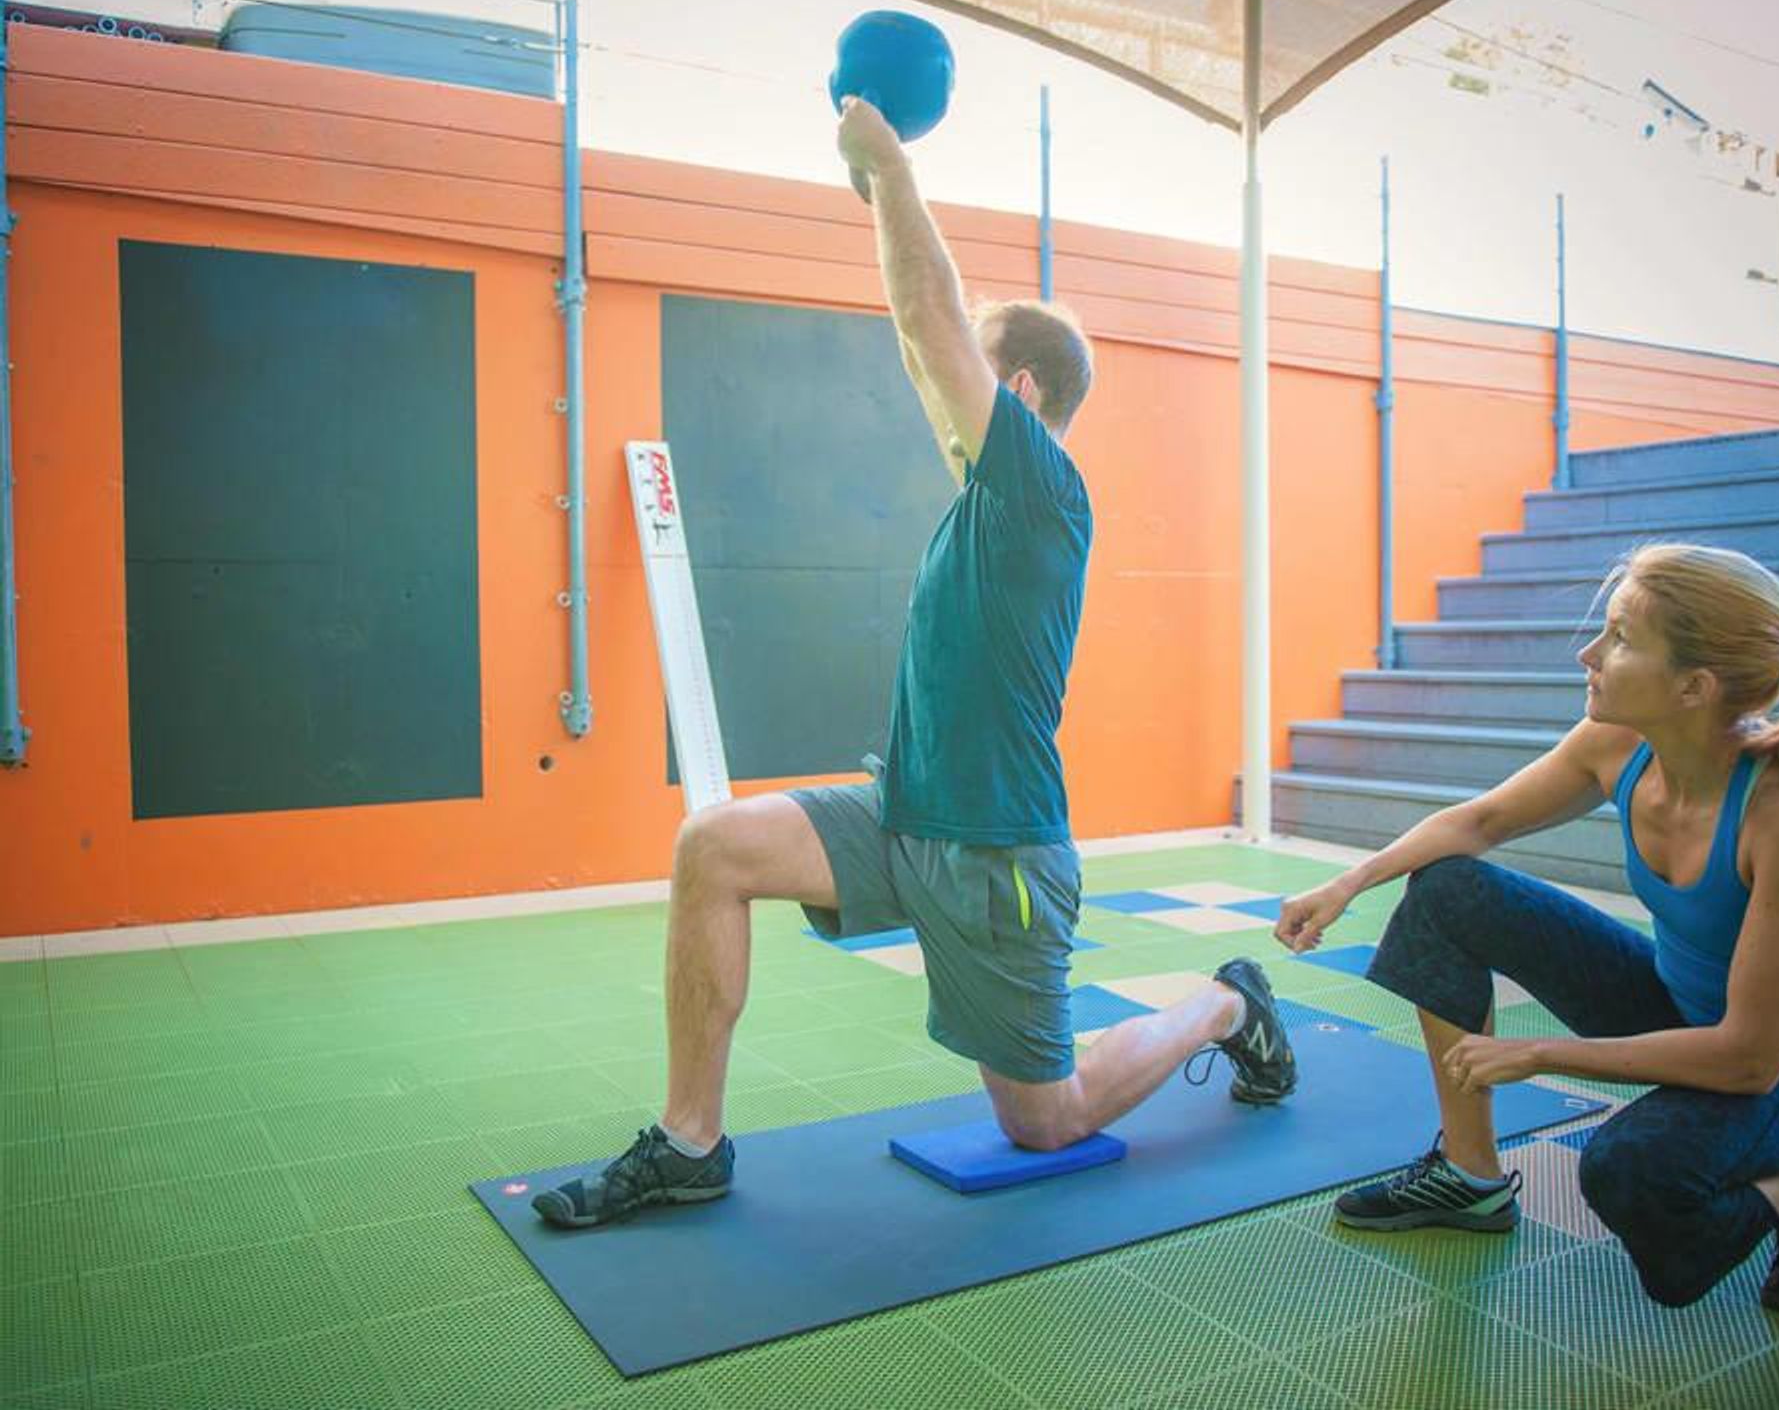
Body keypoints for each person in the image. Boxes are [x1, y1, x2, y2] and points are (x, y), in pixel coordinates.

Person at [533, 96, 1294, 1229]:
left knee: (1046, 1119)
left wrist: (889, 170)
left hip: (1000, 860)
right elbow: (915, 335)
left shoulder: (1037, 490)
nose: (935, 393)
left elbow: (927, 319)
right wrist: (876, 203)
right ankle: (691, 1141)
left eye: (971, 378)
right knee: (714, 847)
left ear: (1020, 396)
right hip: (903, 821)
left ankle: (1224, 1009)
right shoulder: (978, 509)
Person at [1276, 543, 1779, 1313]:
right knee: (1446, 890)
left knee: (1628, 1173)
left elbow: (1750, 1061)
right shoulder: (1618, 746)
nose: (1590, 653)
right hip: (1689, 1010)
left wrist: (1536, 1052)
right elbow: (1482, 821)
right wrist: (1349, 882)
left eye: (1623, 638)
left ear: (1693, 687)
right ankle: (1471, 1180)